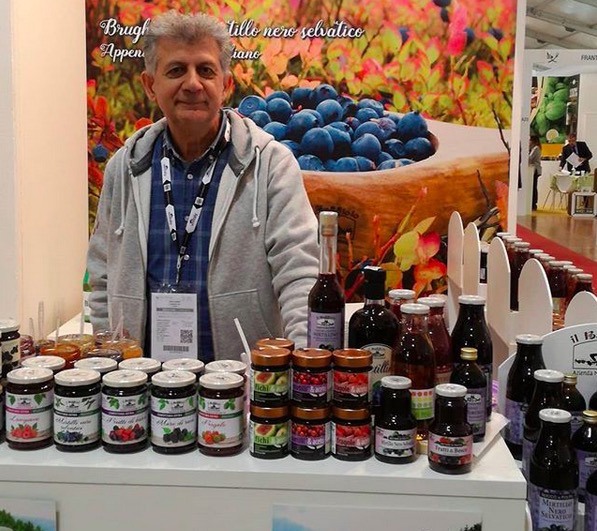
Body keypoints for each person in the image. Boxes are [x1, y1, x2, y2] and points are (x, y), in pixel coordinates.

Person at [87, 10, 319, 362]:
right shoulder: (125, 167)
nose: (193, 84)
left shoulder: (271, 164)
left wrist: (305, 364)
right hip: (144, 382)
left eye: (206, 70)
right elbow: (102, 274)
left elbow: (299, 274)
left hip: (240, 380)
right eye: (176, 70)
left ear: (226, 85)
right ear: (150, 85)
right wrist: (111, 363)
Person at [528, 135, 542, 211]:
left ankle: (534, 204)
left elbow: (530, 159)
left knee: (533, 187)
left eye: (530, 140)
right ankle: (533, 203)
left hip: (535, 170)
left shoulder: (536, 148)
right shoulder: (535, 148)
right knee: (533, 187)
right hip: (535, 170)